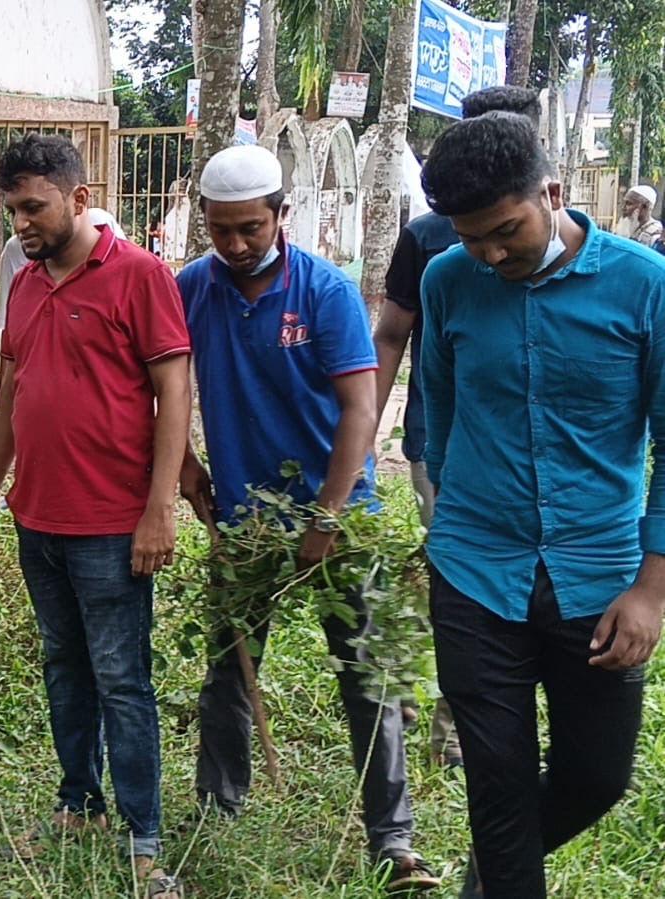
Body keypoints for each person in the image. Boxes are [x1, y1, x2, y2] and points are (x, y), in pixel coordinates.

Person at [176, 145, 440, 892]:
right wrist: (188, 469)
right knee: (229, 667)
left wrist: (326, 518)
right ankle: (215, 809)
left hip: (340, 516)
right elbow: (158, 386)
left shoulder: (325, 291)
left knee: (366, 673)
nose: (235, 244)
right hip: (244, 519)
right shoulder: (191, 289)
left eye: (250, 229)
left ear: (280, 215)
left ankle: (392, 840)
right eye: (220, 230)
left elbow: (360, 408)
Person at [419, 111, 665, 899]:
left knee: (597, 775)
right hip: (473, 570)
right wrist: (448, 523)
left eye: (505, 231)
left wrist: (651, 588)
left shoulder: (644, 285)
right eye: (470, 239)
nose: (490, 255)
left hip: (599, 579)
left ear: (550, 193)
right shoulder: (445, 281)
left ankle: (489, 878)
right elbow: (438, 410)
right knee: (496, 782)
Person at [0, 135, 189, 899]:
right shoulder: (25, 283)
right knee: (63, 664)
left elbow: (173, 392)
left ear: (79, 198)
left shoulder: (140, 275)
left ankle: (143, 837)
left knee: (121, 678)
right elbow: (13, 393)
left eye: (34, 207)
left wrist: (159, 507)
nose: (21, 223)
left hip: (113, 522)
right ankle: (78, 801)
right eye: (12, 209)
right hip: (39, 518)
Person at [373, 84, 544, 769]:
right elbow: (391, 335)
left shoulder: (550, 226)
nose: (492, 250)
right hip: (441, 449)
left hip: (539, 466)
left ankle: (465, 726)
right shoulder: (427, 239)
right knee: (459, 580)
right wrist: (360, 440)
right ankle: (449, 726)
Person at [0, 207, 124, 330]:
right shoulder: (16, 248)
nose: (18, 225)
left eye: (34, 208)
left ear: (78, 200)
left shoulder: (99, 221)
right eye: (12, 212)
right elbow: (10, 328)